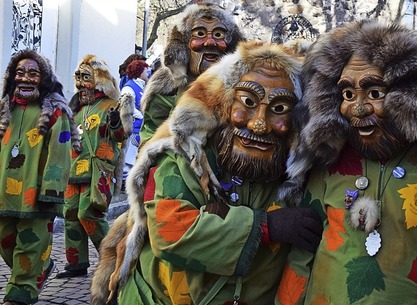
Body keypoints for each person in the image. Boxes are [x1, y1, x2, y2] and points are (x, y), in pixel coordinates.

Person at [90, 41, 322, 305]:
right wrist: (267, 227)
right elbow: (169, 231)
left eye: (279, 109)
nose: (259, 123)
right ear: (225, 101)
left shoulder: (298, 174)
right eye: (247, 101)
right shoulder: (186, 155)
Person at [278, 20, 417, 304]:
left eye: (375, 93)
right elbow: (302, 256)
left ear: (411, 98)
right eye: (348, 94)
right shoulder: (330, 161)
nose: (359, 107)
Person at [0, 50, 78, 305]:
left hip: (36, 194)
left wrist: (51, 191)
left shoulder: (56, 111)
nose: (25, 78)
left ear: (43, 79)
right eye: (20, 73)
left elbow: (60, 153)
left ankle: (20, 294)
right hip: (4, 194)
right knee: (6, 241)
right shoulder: (4, 108)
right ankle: (39, 268)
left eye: (33, 74)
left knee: (30, 244)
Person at [56, 54, 132, 279]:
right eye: (78, 78)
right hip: (74, 169)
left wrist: (116, 120)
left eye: (86, 77)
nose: (81, 84)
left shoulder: (111, 105)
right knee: (70, 213)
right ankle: (76, 263)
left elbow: (121, 136)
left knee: (89, 213)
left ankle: (112, 258)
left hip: (98, 170)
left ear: (99, 80)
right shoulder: (76, 108)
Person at [138, 0, 245, 146]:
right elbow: (150, 136)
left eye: (218, 34)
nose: (210, 42)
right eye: (200, 33)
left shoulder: (243, 90)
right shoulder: (165, 90)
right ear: (183, 46)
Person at [120, 59, 150, 185]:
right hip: (134, 127)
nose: (147, 73)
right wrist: (143, 116)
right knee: (129, 157)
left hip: (140, 127)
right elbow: (126, 106)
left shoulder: (141, 86)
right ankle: (124, 181)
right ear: (139, 71)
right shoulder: (129, 88)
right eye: (145, 70)